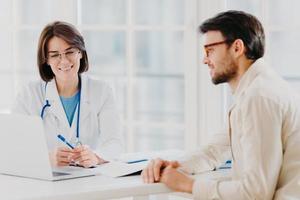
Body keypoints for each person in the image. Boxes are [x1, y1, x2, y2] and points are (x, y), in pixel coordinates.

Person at [142, 10, 300, 200]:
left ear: (237, 48)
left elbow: (256, 193)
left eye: (210, 50)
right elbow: (215, 151)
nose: (205, 60)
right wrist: (174, 166)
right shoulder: (254, 91)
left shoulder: (259, 97)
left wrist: (189, 185)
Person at [12, 21, 124, 168]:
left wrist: (96, 156)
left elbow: (114, 143)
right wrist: (45, 159)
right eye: (55, 55)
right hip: (45, 181)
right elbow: (13, 149)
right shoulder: (29, 95)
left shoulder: (101, 91)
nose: (64, 61)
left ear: (81, 53)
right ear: (46, 60)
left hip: (88, 180)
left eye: (69, 52)